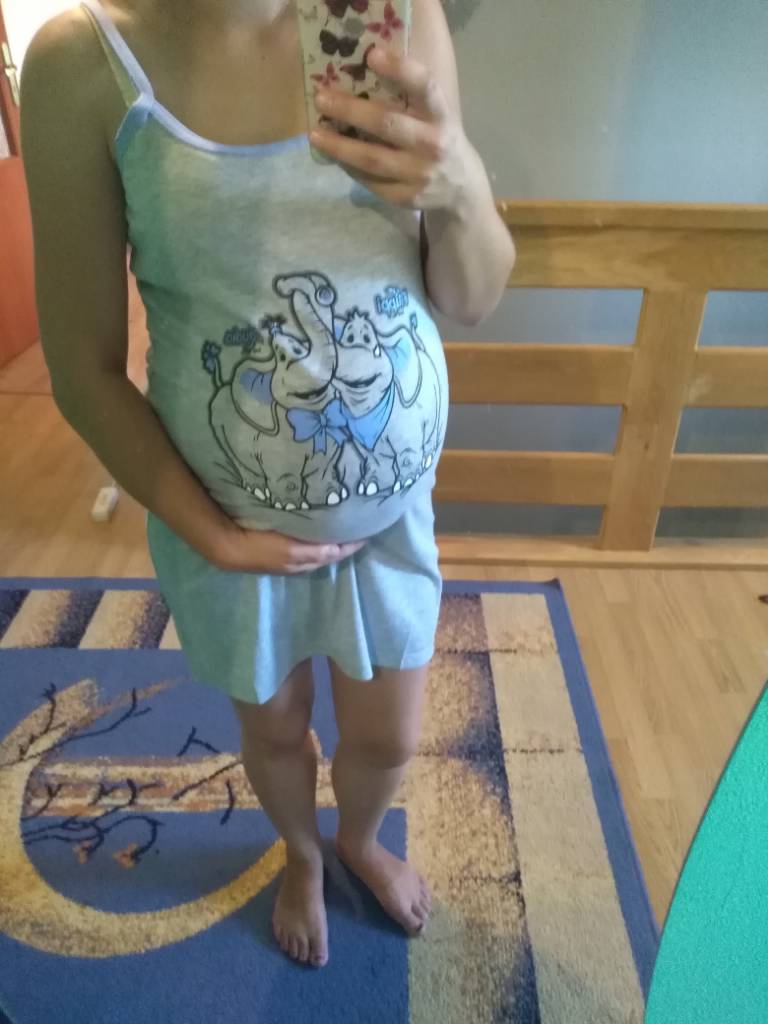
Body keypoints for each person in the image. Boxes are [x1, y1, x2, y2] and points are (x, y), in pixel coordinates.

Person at [19, 0, 516, 970]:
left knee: (389, 737)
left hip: (389, 523)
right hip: (228, 530)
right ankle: (300, 853)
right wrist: (211, 535)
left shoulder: (395, 18)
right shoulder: (83, 62)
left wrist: (459, 184)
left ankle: (359, 840)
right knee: (276, 729)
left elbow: (473, 292)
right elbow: (80, 369)